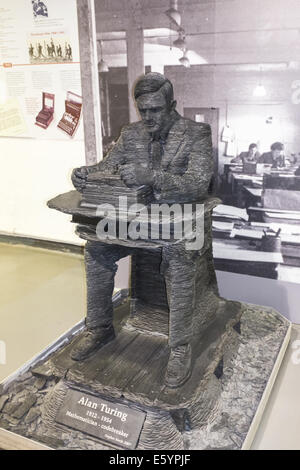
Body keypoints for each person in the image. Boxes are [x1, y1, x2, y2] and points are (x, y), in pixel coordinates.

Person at [71, 73, 214, 387]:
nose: (147, 117)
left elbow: (198, 184)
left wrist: (152, 176)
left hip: (181, 226)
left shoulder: (196, 133)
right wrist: (85, 174)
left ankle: (180, 348)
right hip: (136, 224)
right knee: (96, 249)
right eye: (142, 110)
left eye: (155, 110)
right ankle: (99, 329)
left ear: (172, 105)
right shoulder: (131, 134)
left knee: (177, 257)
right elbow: (107, 166)